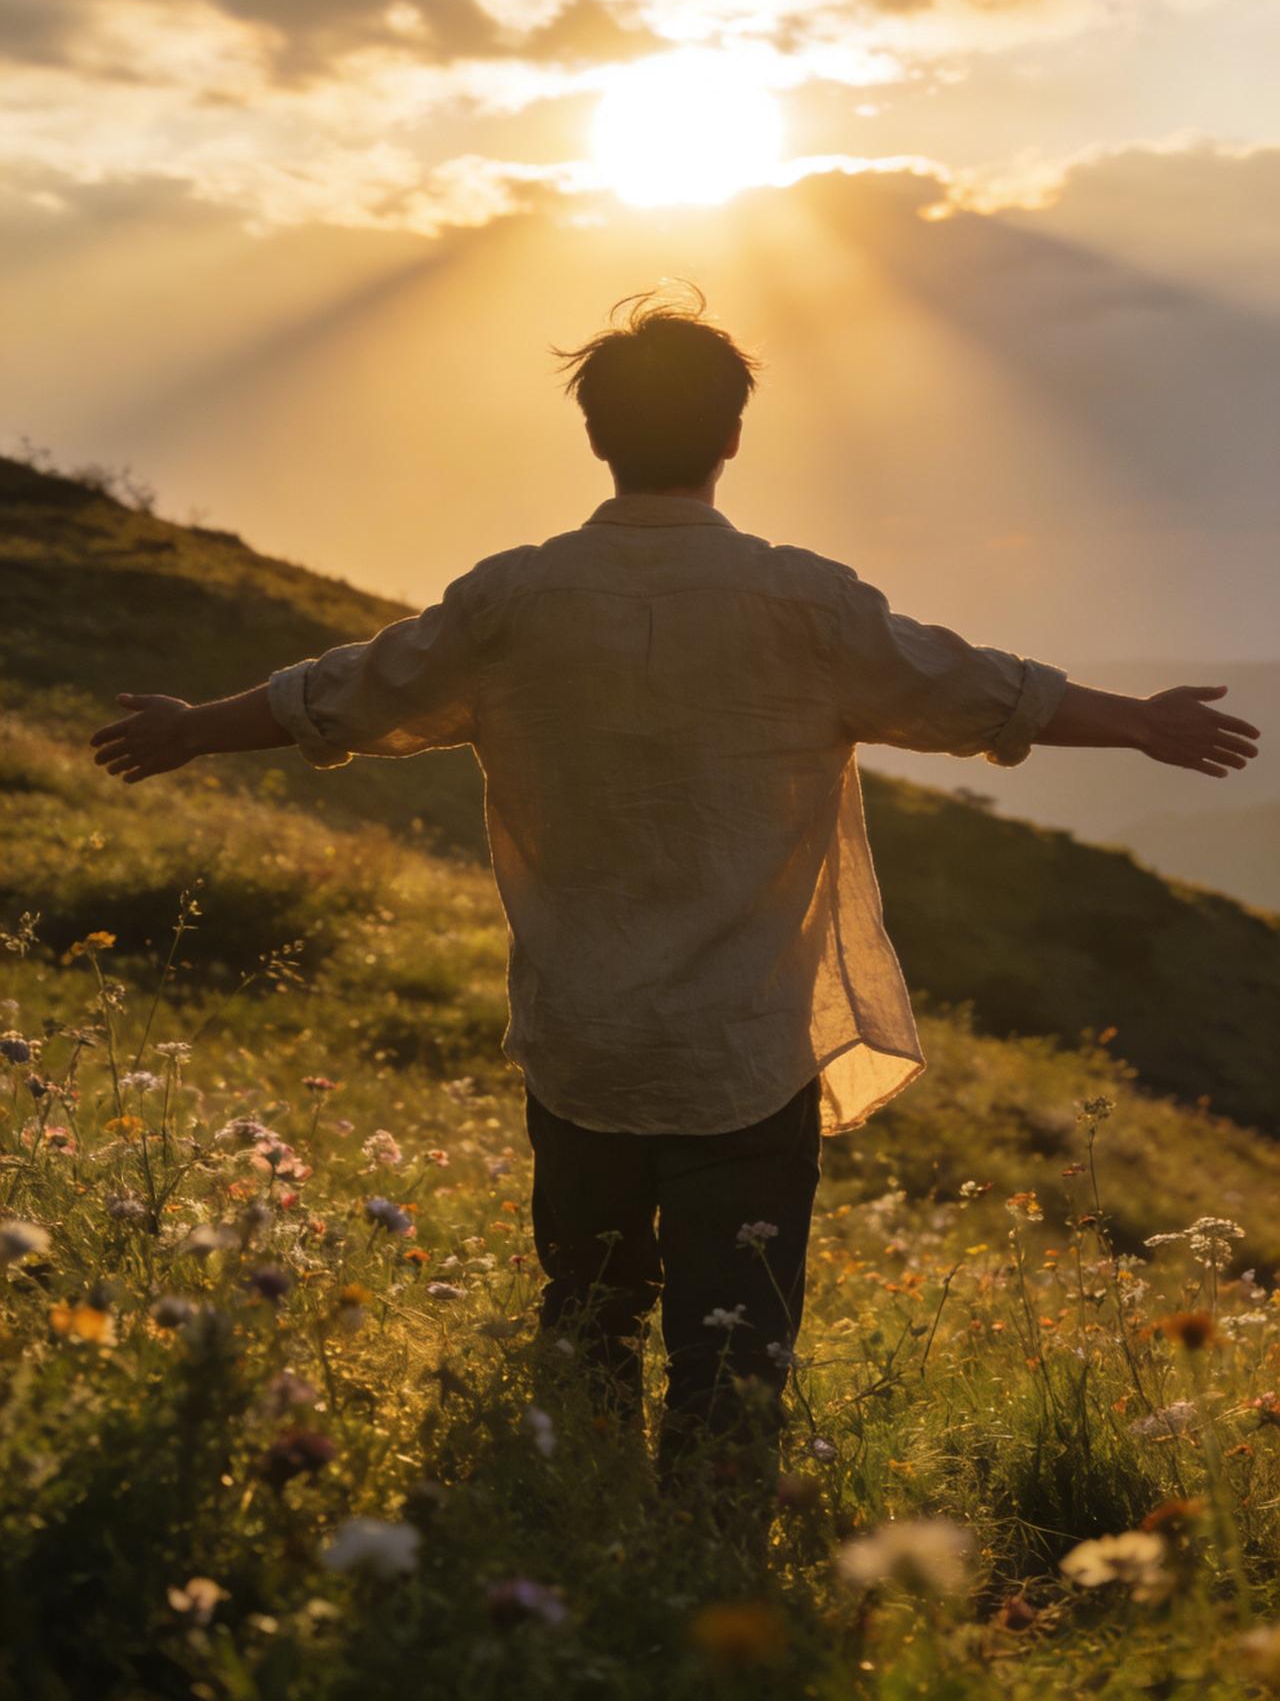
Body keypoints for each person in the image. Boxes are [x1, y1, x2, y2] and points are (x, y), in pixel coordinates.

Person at [88, 287, 1262, 1496]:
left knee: (586, 1315)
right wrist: (1138, 723)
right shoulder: (803, 604)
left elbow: (345, 690)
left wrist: (193, 727)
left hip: (581, 1039)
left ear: (595, 435)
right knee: (734, 1351)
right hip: (745, 1045)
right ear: (732, 437)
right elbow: (976, 689)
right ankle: (708, 1551)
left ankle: (573, 1524)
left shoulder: (509, 602)